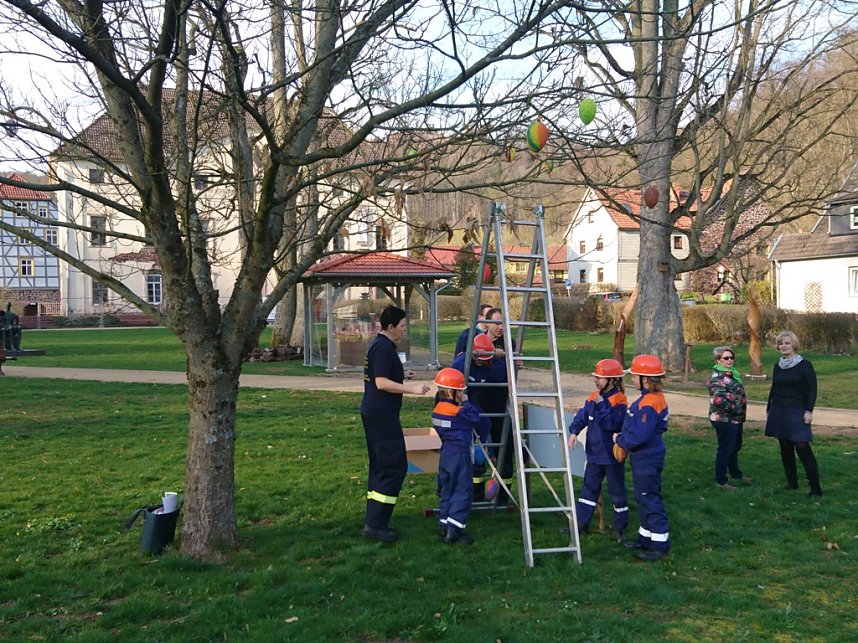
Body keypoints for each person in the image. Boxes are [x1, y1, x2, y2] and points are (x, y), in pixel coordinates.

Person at [360, 306, 431, 542]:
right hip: (381, 415)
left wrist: (401, 374)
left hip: (377, 413)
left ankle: (374, 520)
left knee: (381, 464)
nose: (404, 330)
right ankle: (376, 524)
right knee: (393, 465)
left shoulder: (382, 346)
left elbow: (383, 375)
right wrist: (411, 388)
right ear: (390, 327)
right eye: (402, 326)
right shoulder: (383, 348)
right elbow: (381, 382)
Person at [613, 354, 670, 561]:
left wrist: (620, 440)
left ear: (645, 379)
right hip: (644, 456)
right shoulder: (649, 399)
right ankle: (645, 538)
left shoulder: (649, 403)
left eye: (635, 376)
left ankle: (659, 544)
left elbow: (640, 434)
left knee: (649, 497)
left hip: (647, 456)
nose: (632, 379)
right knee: (642, 496)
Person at [566, 358, 630, 543]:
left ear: (612, 380)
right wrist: (574, 432)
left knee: (617, 492)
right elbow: (582, 415)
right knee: (588, 490)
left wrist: (602, 404)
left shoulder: (619, 401)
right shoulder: (594, 396)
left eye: (600, 378)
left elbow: (612, 423)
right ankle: (581, 524)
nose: (596, 380)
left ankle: (620, 529)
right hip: (594, 455)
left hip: (611, 457)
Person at [431, 368, 491, 544]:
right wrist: (466, 402)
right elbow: (475, 418)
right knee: (462, 490)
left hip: (446, 453)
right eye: (460, 391)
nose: (462, 394)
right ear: (451, 391)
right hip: (460, 454)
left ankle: (444, 524)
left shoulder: (438, 410)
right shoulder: (458, 411)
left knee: (447, 489)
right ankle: (455, 530)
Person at [764, 331, 821, 497]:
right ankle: (792, 483)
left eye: (787, 343)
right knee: (785, 447)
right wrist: (769, 408)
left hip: (798, 410)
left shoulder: (805, 365)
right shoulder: (778, 365)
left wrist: (809, 411)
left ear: (794, 345)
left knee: (802, 447)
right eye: (781, 343)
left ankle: (815, 488)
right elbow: (774, 388)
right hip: (779, 409)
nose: (783, 346)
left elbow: (812, 390)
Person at [451, 333, 506, 500]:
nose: (482, 361)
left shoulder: (489, 364)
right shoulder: (462, 363)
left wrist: (499, 359)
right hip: (455, 402)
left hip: (471, 402)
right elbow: (451, 383)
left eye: (485, 358)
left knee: (484, 422)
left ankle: (483, 452)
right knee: (457, 437)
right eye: (479, 358)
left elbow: (497, 377)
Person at [708, 346, 751, 491]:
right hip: (724, 419)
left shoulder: (732, 374)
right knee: (726, 449)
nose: (729, 360)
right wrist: (738, 409)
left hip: (736, 418)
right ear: (718, 360)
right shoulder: (717, 377)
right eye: (726, 358)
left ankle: (736, 474)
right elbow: (718, 400)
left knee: (734, 447)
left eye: (731, 357)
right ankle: (721, 480)